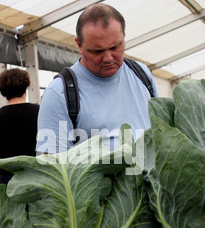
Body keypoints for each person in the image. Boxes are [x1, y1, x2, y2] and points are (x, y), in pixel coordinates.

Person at [36, 3, 159, 154]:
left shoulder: (142, 74)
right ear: (79, 45)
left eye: (115, 47)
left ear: (124, 38)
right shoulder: (59, 93)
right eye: (97, 51)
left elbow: (160, 133)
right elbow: (51, 167)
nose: (108, 58)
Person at [0, 68, 39, 159]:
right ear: (25, 87)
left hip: (7, 171)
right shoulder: (39, 111)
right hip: (36, 170)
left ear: (2, 90)